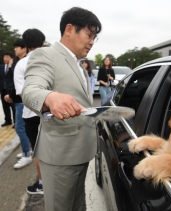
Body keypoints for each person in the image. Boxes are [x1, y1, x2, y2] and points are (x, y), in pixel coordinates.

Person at [22, 7, 101, 211]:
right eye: (89, 34)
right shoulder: (46, 55)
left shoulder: (78, 63)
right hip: (60, 156)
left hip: (80, 151)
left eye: (95, 37)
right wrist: (50, 96)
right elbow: (30, 90)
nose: (92, 41)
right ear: (69, 29)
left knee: (77, 205)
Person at [14, 29, 46, 193]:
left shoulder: (20, 65)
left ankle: (42, 184)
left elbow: (22, 93)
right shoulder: (52, 60)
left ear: (25, 45)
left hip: (32, 114)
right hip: (53, 113)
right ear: (42, 43)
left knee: (38, 150)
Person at [4, 38, 33, 169]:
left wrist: (10, 96)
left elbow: (18, 85)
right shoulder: (19, 62)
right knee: (22, 128)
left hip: (21, 101)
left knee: (20, 128)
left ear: (24, 48)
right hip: (19, 100)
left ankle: (27, 154)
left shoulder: (23, 63)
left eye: (17, 47)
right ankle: (27, 150)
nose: (14, 49)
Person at [0, 51, 16, 127]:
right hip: (3, 90)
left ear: (11, 59)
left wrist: (10, 66)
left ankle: (16, 122)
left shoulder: (15, 66)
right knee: (5, 106)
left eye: (7, 57)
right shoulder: (1, 67)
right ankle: (8, 120)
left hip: (11, 91)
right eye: (5, 57)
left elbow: (15, 76)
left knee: (13, 107)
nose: (6, 58)